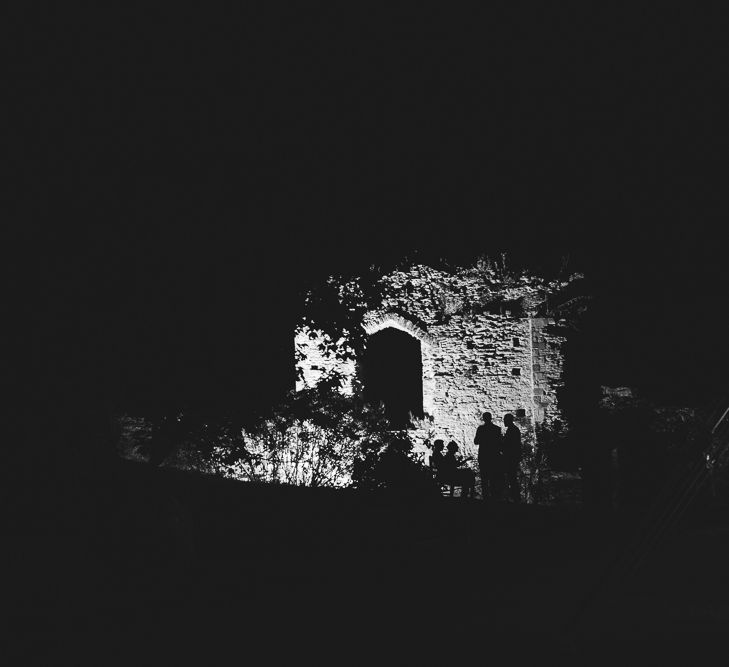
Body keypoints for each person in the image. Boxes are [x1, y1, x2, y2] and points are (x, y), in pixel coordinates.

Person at [474, 411, 503, 500]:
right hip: (494, 456)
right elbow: (500, 443)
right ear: (491, 418)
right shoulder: (497, 429)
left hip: (483, 456)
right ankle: (494, 497)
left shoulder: (481, 429)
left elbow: (476, 442)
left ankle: (486, 497)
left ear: (484, 418)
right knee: (493, 477)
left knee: (484, 478)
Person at [502, 414, 522, 503]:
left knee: (512, 478)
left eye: (505, 420)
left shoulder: (512, 430)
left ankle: (515, 499)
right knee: (512, 478)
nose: (504, 422)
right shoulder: (514, 429)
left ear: (508, 420)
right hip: (513, 457)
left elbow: (509, 445)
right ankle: (515, 498)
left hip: (511, 458)